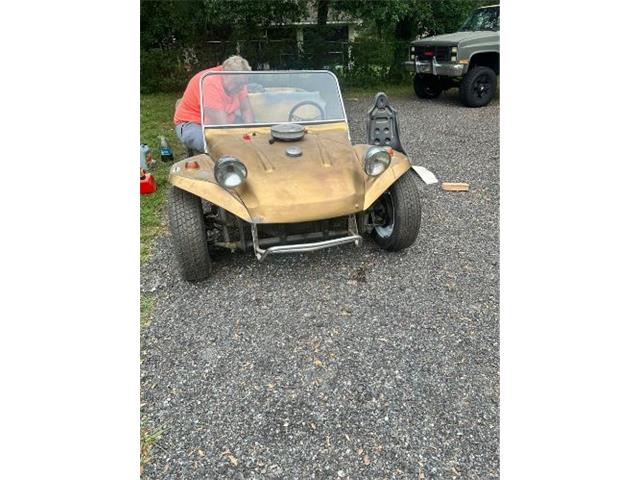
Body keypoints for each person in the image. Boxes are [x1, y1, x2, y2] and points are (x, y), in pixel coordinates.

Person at [174, 55, 254, 153]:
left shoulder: (238, 79)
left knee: (260, 131)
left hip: (225, 118)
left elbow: (246, 109)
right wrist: (242, 141)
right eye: (238, 83)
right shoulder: (210, 82)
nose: (241, 88)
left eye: (243, 83)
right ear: (225, 75)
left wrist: (250, 131)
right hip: (193, 122)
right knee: (214, 145)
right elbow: (222, 124)